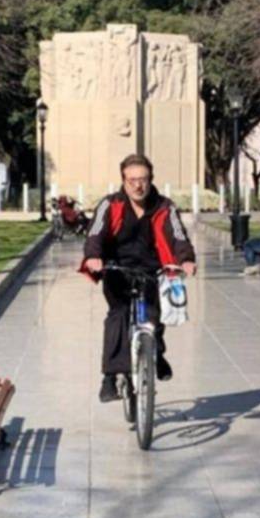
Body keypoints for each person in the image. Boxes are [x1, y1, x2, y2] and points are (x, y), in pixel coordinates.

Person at [82, 154, 196, 403]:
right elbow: (95, 233)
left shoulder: (165, 206)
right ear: (123, 181)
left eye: (143, 179)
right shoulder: (109, 205)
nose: (138, 185)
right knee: (118, 314)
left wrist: (185, 259)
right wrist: (93, 256)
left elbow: (178, 235)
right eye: (132, 180)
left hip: (153, 268)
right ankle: (110, 376)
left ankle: (157, 353)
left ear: (150, 180)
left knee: (155, 315)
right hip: (116, 268)